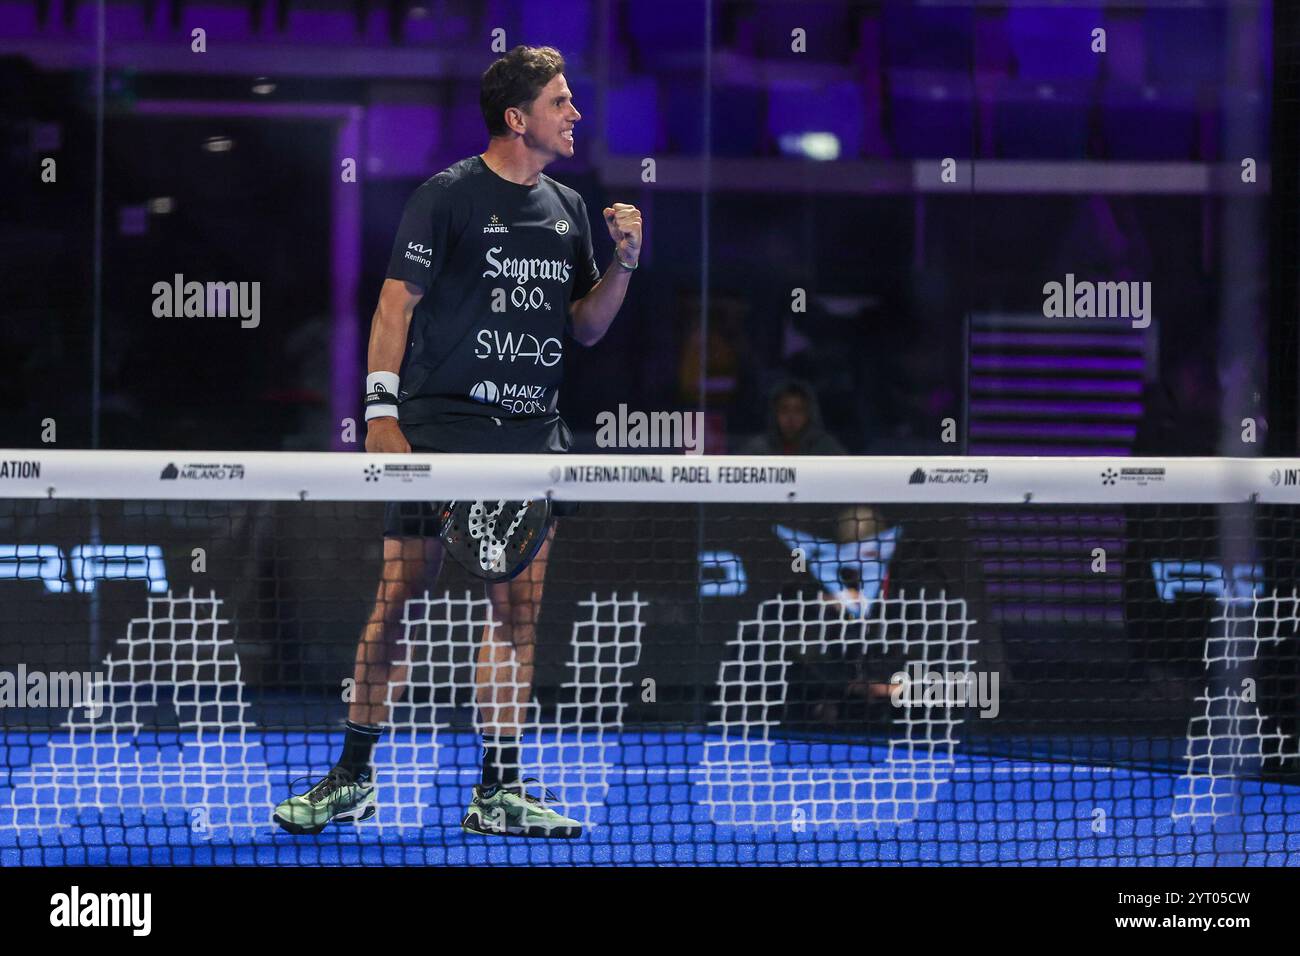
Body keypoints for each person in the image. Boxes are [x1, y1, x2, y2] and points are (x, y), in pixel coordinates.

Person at [273, 45, 642, 838]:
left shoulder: (571, 209)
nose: (575, 113)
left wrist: (625, 264)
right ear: (518, 118)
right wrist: (379, 413)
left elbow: (585, 327)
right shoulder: (445, 198)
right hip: (437, 434)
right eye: (561, 102)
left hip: (532, 445)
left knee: (518, 614)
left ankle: (498, 790)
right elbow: (394, 307)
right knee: (397, 596)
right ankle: (353, 777)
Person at [740, 379, 846, 456]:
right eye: (784, 409)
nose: (791, 417)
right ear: (774, 413)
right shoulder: (757, 450)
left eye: (798, 410)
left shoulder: (827, 449)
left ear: (809, 414)